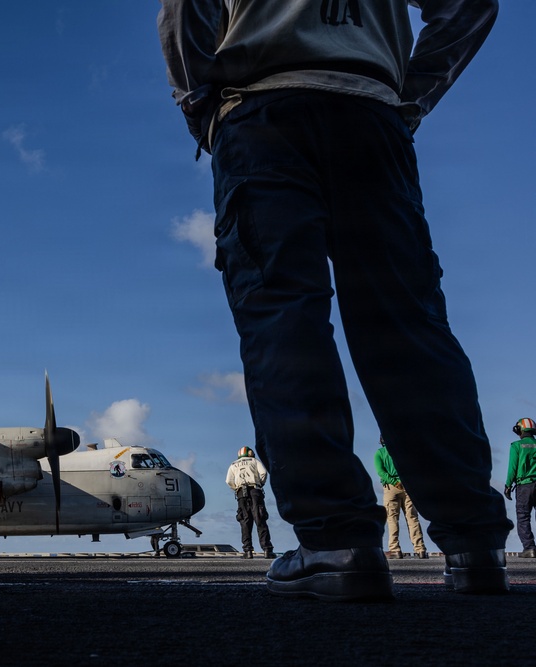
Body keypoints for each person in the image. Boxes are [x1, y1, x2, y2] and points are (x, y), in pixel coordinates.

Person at [158, 0, 512, 600]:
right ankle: (474, 543)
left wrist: (201, 102)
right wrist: (410, 96)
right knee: (409, 323)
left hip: (262, 109)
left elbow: (184, 12)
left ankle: (336, 541)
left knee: (283, 321)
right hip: (371, 112)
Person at [374, 436, 427, 559]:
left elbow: (381, 472)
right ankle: (420, 549)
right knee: (412, 518)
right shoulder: (402, 451)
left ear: (381, 441)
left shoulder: (379, 453)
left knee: (392, 519)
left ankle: (395, 550)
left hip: (391, 488)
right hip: (407, 486)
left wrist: (394, 481)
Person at [226, 447, 275, 559]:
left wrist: (236, 488)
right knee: (260, 519)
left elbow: (229, 480)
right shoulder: (254, 461)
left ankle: (248, 551)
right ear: (250, 453)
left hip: (241, 494)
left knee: (245, 521)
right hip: (255, 491)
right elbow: (263, 473)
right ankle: (267, 550)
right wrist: (260, 484)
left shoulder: (233, 464)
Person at [504, 419, 536, 558]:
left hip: (524, 486)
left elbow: (512, 468)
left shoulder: (516, 446)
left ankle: (530, 548)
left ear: (519, 430)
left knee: (523, 517)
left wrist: (508, 485)